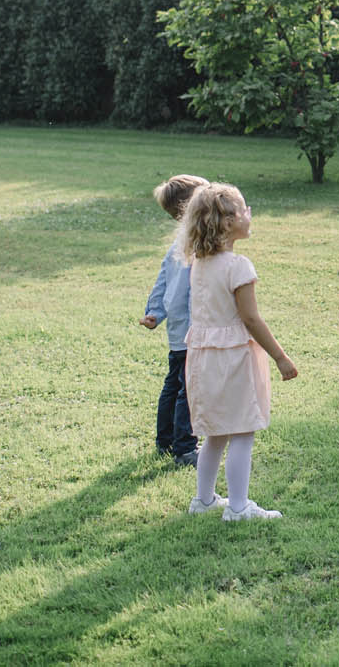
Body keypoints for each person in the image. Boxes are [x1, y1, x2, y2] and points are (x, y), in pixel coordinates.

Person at [178, 183, 299, 520]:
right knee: (243, 429)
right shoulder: (238, 266)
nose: (250, 215)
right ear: (228, 221)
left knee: (215, 431)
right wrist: (280, 356)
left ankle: (203, 500)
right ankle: (238, 506)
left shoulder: (200, 263)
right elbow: (250, 318)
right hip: (233, 357)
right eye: (245, 209)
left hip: (202, 356)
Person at [140, 173, 207, 465]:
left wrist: (154, 311)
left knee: (174, 383)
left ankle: (165, 440)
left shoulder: (179, 243)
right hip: (194, 328)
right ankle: (185, 447)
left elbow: (162, 281)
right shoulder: (200, 245)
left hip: (180, 328)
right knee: (188, 388)